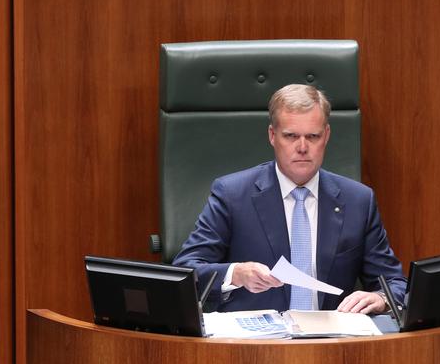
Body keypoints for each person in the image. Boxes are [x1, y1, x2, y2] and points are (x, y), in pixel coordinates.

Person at [173, 84, 406, 314]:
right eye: (291, 136)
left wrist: (381, 298)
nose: (302, 147)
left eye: (312, 136)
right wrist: (236, 273)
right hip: (253, 344)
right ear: (273, 136)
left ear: (326, 136)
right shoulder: (232, 194)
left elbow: (393, 282)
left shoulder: (358, 200)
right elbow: (186, 270)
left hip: (331, 342)